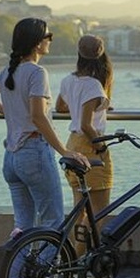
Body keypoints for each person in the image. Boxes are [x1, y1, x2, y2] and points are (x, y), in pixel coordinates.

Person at [0, 17, 89, 278]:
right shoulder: (37, 72)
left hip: (11, 158)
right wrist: (65, 150)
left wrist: (11, 115)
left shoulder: (9, 71)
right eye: (48, 36)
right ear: (37, 42)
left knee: (25, 228)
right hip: (34, 154)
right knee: (52, 225)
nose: (51, 40)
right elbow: (39, 117)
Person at [55, 34, 114, 255]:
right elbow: (86, 124)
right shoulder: (93, 85)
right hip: (90, 144)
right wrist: (101, 148)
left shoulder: (68, 80)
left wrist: (88, 106)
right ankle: (80, 260)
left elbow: (62, 107)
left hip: (73, 145)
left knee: (79, 210)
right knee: (98, 210)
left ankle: (71, 258)